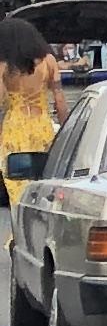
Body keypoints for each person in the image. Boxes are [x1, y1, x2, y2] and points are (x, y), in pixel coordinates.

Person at [2, 18, 63, 233]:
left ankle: (22, 232)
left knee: (17, 185)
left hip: (15, 129)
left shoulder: (5, 66)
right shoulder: (49, 61)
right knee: (44, 181)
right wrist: (65, 129)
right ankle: (45, 230)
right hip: (42, 126)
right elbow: (59, 99)